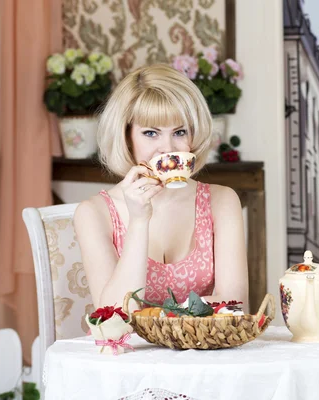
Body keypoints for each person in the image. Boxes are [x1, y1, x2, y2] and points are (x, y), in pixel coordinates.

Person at [73, 64, 249, 311]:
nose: (168, 148)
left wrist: (162, 322)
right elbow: (115, 317)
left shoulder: (222, 202)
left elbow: (235, 307)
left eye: (179, 132)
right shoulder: (94, 213)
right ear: (127, 138)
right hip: (127, 350)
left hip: (203, 349)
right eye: (151, 133)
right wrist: (138, 221)